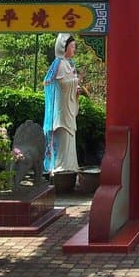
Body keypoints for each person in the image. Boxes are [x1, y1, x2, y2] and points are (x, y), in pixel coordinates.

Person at [43, 33, 82, 174]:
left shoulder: (69, 64)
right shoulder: (59, 64)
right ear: (64, 48)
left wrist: (76, 88)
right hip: (61, 109)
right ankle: (60, 167)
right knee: (63, 138)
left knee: (70, 140)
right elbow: (59, 83)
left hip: (68, 107)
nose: (74, 50)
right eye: (72, 46)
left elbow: (68, 84)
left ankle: (70, 166)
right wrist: (75, 81)